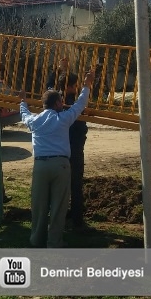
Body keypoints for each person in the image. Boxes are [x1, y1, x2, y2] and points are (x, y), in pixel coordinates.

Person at [18, 70, 94, 248]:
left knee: (39, 204)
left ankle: (36, 239)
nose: (63, 103)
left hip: (40, 165)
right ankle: (54, 241)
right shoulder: (63, 119)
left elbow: (24, 114)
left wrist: (22, 100)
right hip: (61, 165)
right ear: (57, 103)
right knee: (59, 205)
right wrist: (87, 85)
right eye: (61, 101)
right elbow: (80, 104)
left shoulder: (35, 121)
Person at [59, 72, 88, 229]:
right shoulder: (70, 103)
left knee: (61, 185)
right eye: (75, 85)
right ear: (69, 87)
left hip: (62, 150)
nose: (77, 88)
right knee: (76, 184)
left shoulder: (56, 101)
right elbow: (79, 124)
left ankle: (63, 215)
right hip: (74, 149)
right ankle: (77, 220)